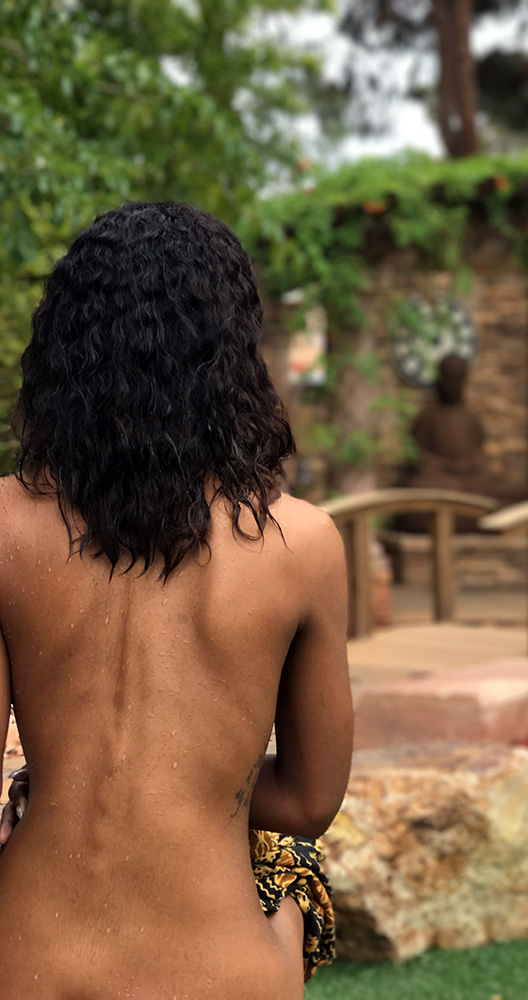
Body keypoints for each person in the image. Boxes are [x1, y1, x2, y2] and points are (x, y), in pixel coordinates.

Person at [0, 202, 353, 1000]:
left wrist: (63, 784)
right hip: (223, 973)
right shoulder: (303, 544)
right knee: (291, 877)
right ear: (234, 354)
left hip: (25, 961)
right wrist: (195, 799)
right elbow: (308, 801)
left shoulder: (3, 530)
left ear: (62, 349)